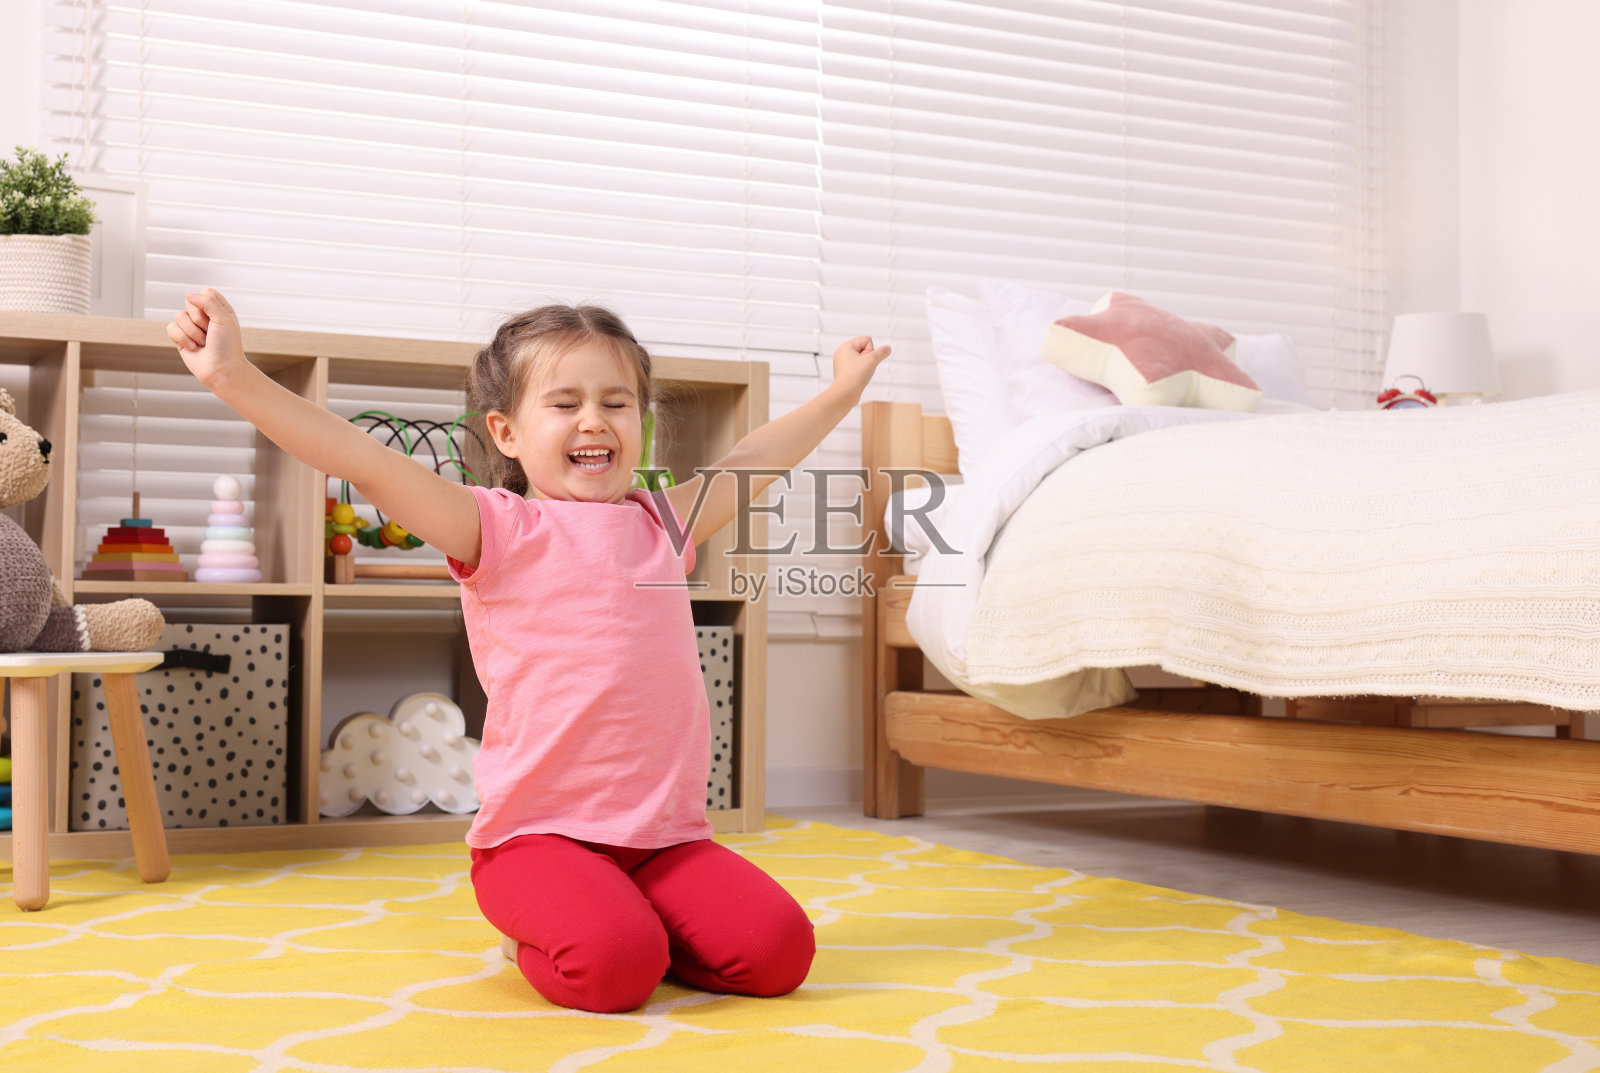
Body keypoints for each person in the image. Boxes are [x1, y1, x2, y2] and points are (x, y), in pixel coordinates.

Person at [168, 289, 891, 1013]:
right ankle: (538, 933)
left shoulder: (662, 522)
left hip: (660, 840)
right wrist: (233, 375)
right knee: (614, 973)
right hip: (538, 840)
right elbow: (365, 459)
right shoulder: (498, 528)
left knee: (779, 954)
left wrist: (840, 392)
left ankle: (627, 915)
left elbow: (756, 458)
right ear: (506, 431)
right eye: (565, 402)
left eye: (616, 402)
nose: (593, 420)